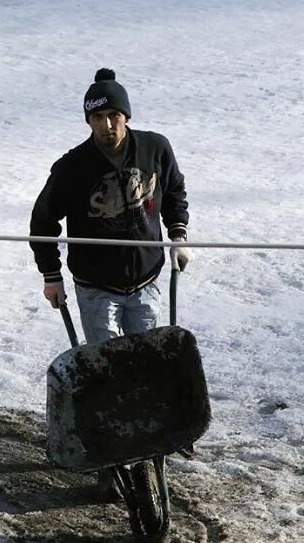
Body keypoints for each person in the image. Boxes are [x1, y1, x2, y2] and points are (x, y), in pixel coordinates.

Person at [30, 68, 193, 345]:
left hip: (146, 281)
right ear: (88, 121)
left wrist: (178, 235)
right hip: (96, 289)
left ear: (126, 116)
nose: (107, 125)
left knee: (145, 359)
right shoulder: (71, 167)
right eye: (97, 117)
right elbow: (42, 223)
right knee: (110, 365)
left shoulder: (155, 149)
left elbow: (174, 191)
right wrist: (51, 275)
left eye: (113, 115)